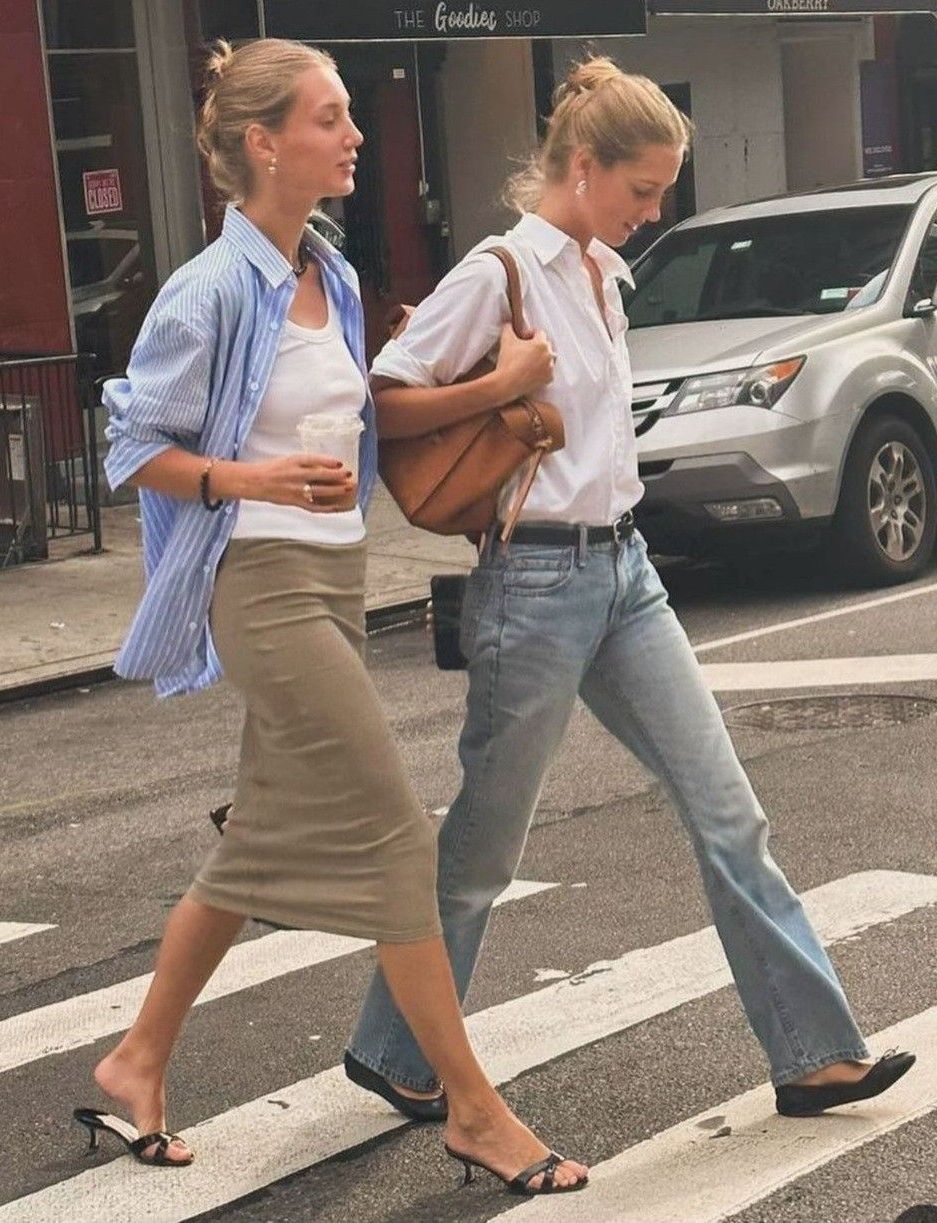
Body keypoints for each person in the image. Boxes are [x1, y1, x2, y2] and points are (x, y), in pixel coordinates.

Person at [346, 56, 915, 1122]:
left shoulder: (604, 275)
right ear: (581, 165)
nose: (653, 212)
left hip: (627, 571)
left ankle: (812, 1051)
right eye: (642, 189)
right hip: (536, 580)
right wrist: (501, 385)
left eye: (662, 191)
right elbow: (388, 402)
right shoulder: (500, 269)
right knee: (484, 844)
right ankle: (395, 1045)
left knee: (727, 811)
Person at [74, 38, 587, 1196]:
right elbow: (130, 446)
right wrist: (248, 481)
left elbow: (370, 418)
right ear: (265, 143)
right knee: (400, 832)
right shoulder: (207, 290)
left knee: (257, 841)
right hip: (257, 583)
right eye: (331, 115)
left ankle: (135, 1057)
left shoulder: (335, 273)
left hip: (336, 577)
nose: (354, 132)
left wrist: (500, 392)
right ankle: (474, 1107)